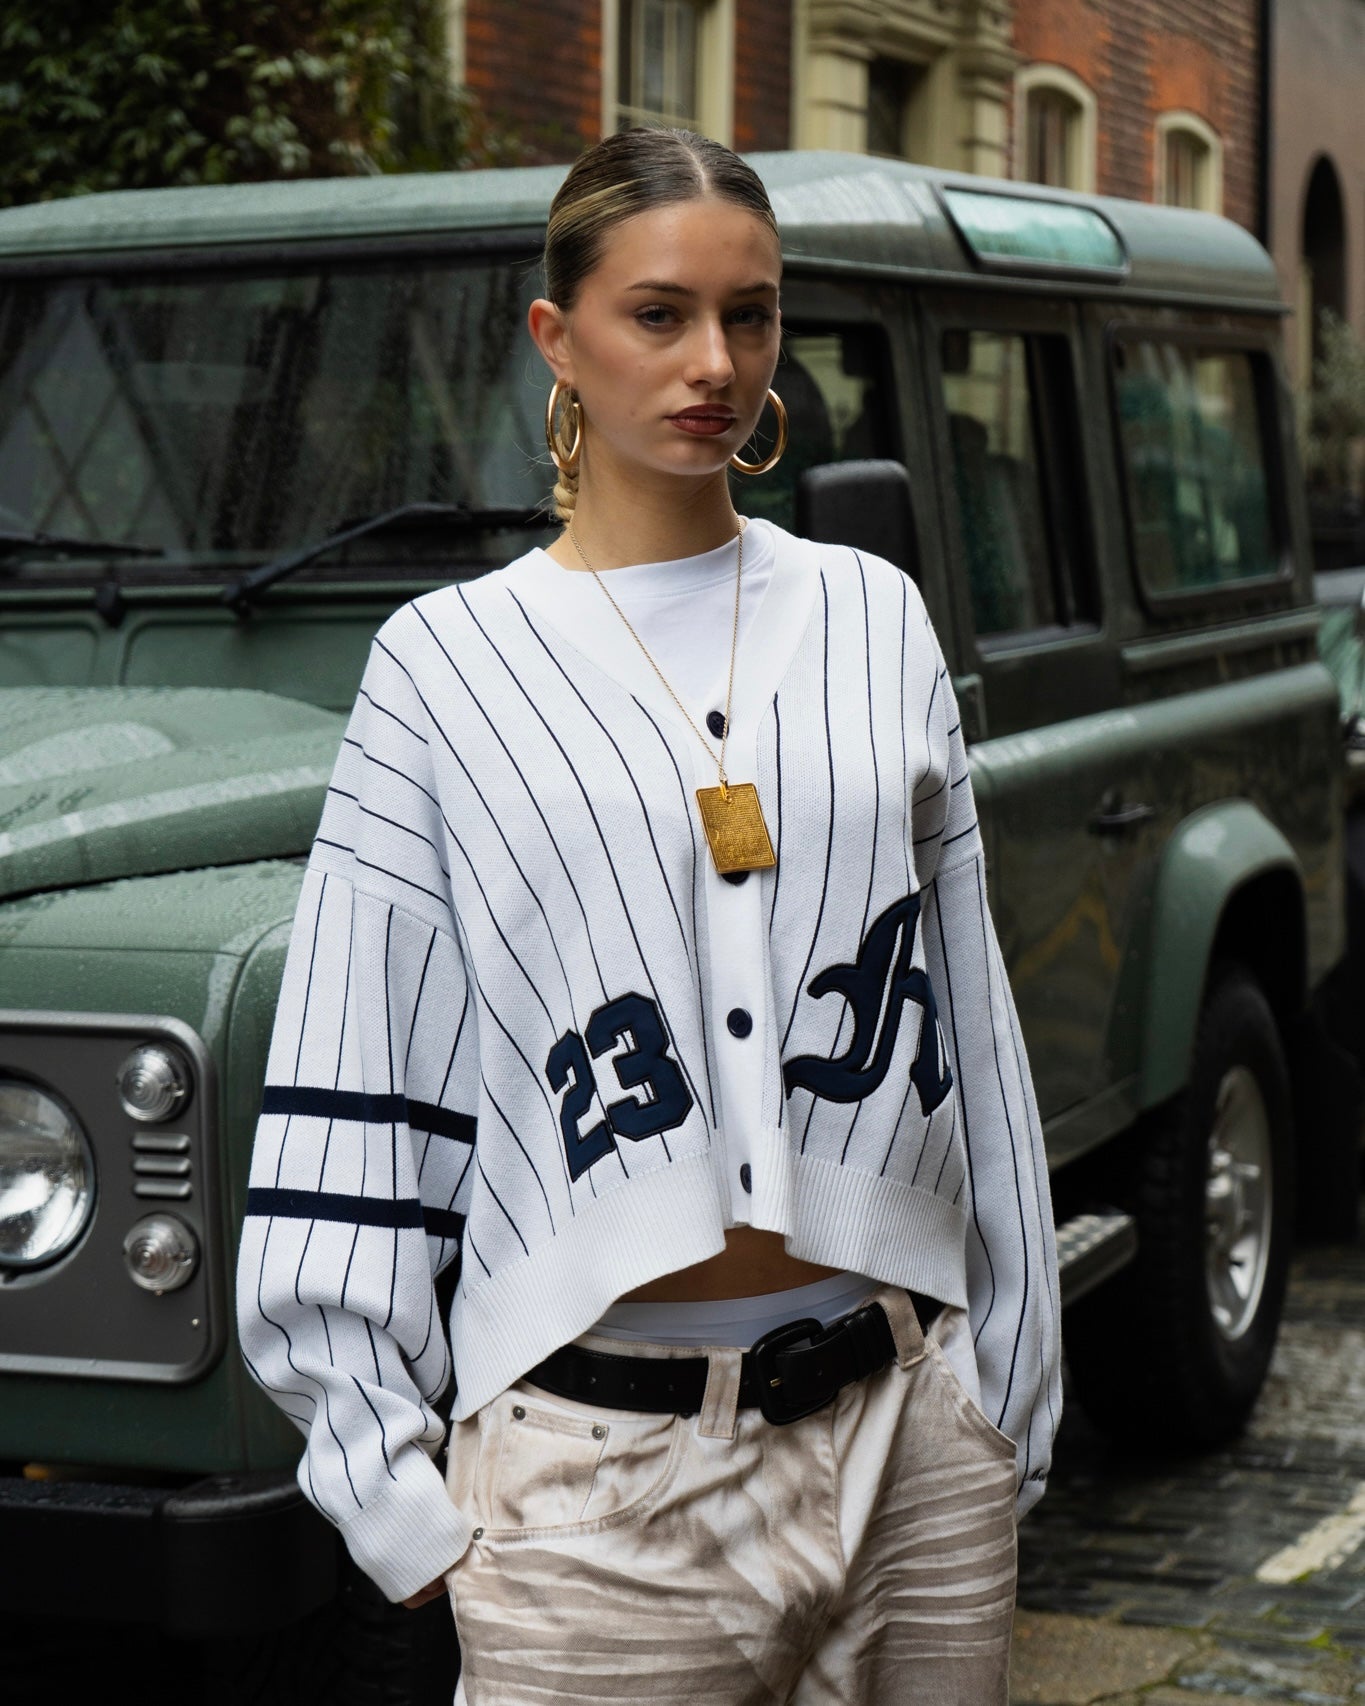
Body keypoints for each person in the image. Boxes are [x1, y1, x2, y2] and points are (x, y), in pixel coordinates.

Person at [236, 127, 1061, 1705]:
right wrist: (391, 1489)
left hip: (909, 1446)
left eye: (750, 316)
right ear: (557, 334)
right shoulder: (443, 666)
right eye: (659, 314)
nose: (715, 362)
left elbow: (971, 1020)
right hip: (597, 1487)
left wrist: (1001, 1396)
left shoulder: (872, 615)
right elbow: (356, 1068)